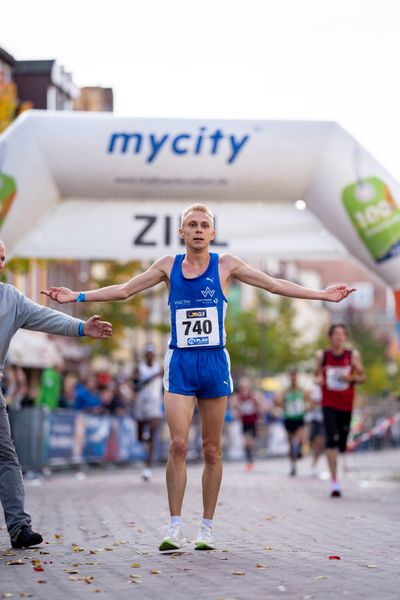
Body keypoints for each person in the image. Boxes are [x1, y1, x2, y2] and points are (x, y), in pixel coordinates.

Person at [42, 203, 355, 551]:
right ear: (181, 232)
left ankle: (206, 527)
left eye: (204, 224)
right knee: (177, 444)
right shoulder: (167, 265)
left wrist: (323, 295)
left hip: (214, 363)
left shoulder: (227, 265)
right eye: (191, 224)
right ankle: (174, 526)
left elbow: (274, 285)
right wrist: (78, 297)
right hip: (180, 363)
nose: (198, 229)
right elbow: (125, 289)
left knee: (212, 449)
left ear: (212, 233)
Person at [0, 239, 112, 549]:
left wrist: (81, 328)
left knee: (6, 457)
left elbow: (45, 317)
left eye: (3, 258)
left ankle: (19, 528)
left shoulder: (9, 299)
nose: (0, 263)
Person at [314, 323, 365, 497]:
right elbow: (316, 375)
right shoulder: (322, 355)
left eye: (342, 334)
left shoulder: (352, 355)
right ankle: (334, 482)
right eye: (335, 334)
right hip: (328, 403)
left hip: (346, 404)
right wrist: (319, 380)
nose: (339, 337)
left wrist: (350, 378)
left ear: (345, 337)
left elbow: (362, 377)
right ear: (330, 337)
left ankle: (342, 450)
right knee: (331, 440)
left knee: (342, 443)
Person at [133, 343, 163, 482]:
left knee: (153, 432)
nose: (150, 355)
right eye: (148, 353)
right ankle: (143, 437)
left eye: (152, 353)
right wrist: (151, 377)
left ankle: (148, 468)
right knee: (139, 436)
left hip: (155, 402)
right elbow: (135, 385)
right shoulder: (139, 368)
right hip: (141, 402)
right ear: (145, 354)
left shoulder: (160, 368)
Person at [277, 369, 309, 476]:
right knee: (290, 444)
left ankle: (299, 447)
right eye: (291, 376)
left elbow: (310, 402)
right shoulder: (285, 391)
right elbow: (278, 402)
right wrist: (282, 404)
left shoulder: (302, 391)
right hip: (289, 418)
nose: (293, 378)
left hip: (299, 418)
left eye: (295, 376)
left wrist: (305, 409)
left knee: (299, 437)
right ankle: (293, 465)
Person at [229, 376, 264, 471]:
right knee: (245, 443)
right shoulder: (238, 397)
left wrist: (260, 413)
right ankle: (249, 461)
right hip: (244, 422)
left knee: (253, 442)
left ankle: (251, 457)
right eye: (242, 386)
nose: (244, 388)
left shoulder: (254, 395)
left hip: (253, 421)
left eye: (246, 386)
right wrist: (236, 410)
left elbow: (261, 406)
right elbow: (233, 408)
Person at [306, 382, 325, 478]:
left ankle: (315, 464)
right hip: (313, 419)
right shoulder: (311, 389)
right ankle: (313, 461)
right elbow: (309, 405)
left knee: (321, 442)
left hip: (324, 419)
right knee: (311, 443)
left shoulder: (327, 386)